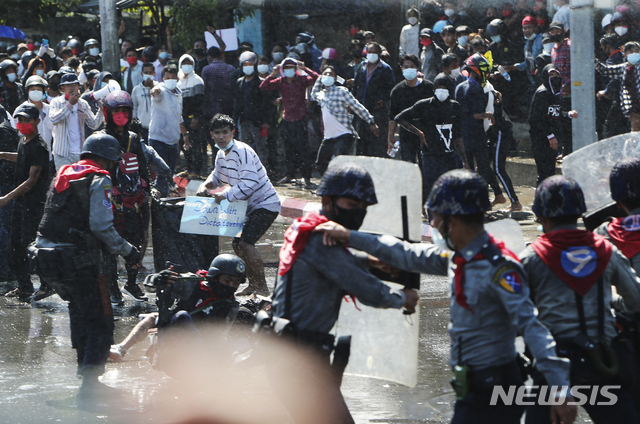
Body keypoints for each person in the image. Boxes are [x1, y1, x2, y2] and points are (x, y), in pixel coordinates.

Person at [315, 169, 576, 424]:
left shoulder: (499, 268)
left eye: (437, 218)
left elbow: (533, 327)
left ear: (456, 219)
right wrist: (351, 237)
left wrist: (561, 389)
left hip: (493, 384)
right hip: (473, 385)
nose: (435, 225)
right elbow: (406, 252)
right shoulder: (459, 258)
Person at [270, 161, 419, 424]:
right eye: (351, 206)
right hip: (301, 361)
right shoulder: (321, 240)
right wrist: (402, 299)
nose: (358, 214)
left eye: (363, 208)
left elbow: (330, 264)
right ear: (328, 202)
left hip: (289, 355)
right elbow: (367, 290)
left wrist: (369, 261)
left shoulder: (306, 227)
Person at [521, 175, 640, 423]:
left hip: (551, 367)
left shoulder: (530, 257)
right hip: (602, 361)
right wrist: (612, 302)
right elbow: (636, 301)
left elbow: (513, 313)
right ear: (580, 213)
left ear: (541, 216)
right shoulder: (605, 248)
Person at [34, 133, 140, 401]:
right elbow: (101, 226)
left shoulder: (65, 172)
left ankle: (86, 376)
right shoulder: (99, 178)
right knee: (101, 320)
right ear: (107, 158)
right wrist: (129, 251)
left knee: (79, 311)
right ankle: (90, 386)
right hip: (76, 259)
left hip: (45, 256)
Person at [196, 114, 280, 296]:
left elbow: (250, 183)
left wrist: (224, 195)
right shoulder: (220, 154)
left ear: (233, 133)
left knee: (246, 243)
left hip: (266, 203)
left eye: (225, 132)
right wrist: (205, 186)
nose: (221, 137)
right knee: (237, 245)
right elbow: (216, 177)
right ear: (211, 134)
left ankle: (262, 288)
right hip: (248, 206)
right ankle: (253, 284)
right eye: (217, 133)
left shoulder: (242, 151)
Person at [109, 254, 248, 361]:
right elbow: (150, 285)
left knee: (245, 318)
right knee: (163, 317)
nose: (231, 286)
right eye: (227, 280)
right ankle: (121, 348)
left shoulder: (232, 306)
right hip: (176, 335)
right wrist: (158, 278)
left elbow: (221, 336)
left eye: (236, 283)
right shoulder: (193, 284)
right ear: (214, 277)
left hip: (203, 348)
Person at [100, 91, 150, 304]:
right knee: (110, 247)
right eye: (116, 111)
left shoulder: (134, 138)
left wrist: (147, 189)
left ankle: (131, 282)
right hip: (109, 202)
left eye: (124, 111)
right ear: (108, 113)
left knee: (136, 243)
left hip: (134, 201)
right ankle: (112, 288)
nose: (120, 115)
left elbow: (143, 168)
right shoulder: (100, 138)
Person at [0, 103, 51, 300]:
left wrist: (6, 198)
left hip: (34, 204)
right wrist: (3, 155)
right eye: (20, 119)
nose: (22, 123)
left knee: (32, 246)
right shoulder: (23, 141)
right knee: (16, 245)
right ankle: (24, 286)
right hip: (21, 204)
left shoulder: (40, 146)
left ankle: (46, 285)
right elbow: (22, 157)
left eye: (27, 120)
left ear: (37, 121)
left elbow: (31, 180)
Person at [394, 81, 469, 207]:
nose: (441, 91)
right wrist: (419, 133)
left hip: (449, 155)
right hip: (431, 154)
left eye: (444, 88)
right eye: (438, 88)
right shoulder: (424, 105)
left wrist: (464, 159)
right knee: (432, 186)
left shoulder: (454, 106)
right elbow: (400, 118)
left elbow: (457, 135)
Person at [455, 54, 506, 207]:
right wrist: (488, 115)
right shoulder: (476, 88)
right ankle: (486, 198)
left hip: (463, 135)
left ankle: (471, 200)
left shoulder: (459, 87)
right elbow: (476, 114)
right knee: (483, 167)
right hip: (476, 135)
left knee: (468, 168)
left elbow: (459, 112)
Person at [259, 57, 318, 186]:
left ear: (295, 69)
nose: (289, 70)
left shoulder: (302, 80)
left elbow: (317, 79)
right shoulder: (280, 81)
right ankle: (289, 174)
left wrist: (305, 68)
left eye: (292, 67)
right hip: (287, 118)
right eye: (286, 68)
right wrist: (272, 74)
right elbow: (263, 86)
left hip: (301, 117)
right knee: (288, 148)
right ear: (283, 70)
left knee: (303, 148)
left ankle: (306, 176)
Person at [311, 65, 378, 175]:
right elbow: (313, 93)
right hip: (328, 137)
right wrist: (320, 77)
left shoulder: (341, 91)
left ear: (335, 78)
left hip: (343, 134)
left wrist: (371, 120)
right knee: (320, 163)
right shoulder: (321, 94)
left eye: (331, 74)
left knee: (339, 162)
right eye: (325, 74)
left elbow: (356, 106)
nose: (328, 76)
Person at [528, 64, 578, 186]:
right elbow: (536, 119)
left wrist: (567, 114)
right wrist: (550, 136)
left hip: (552, 140)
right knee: (544, 173)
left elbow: (555, 113)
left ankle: (548, 200)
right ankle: (540, 201)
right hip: (541, 139)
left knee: (549, 172)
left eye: (557, 75)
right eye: (551, 75)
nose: (555, 78)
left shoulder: (554, 94)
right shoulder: (542, 93)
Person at [49, 73, 104, 169]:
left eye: (74, 85)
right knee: (65, 181)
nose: (72, 88)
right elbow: (54, 119)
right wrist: (70, 104)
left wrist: (101, 110)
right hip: (62, 153)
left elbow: (93, 124)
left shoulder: (83, 103)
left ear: (79, 86)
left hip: (80, 152)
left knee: (79, 181)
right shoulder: (56, 102)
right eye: (68, 85)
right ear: (63, 88)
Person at [149, 65, 188, 197]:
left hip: (173, 140)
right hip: (158, 139)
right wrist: (155, 90)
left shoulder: (178, 93)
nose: (170, 80)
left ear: (177, 78)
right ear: (163, 78)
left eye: (172, 78)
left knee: (170, 173)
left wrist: (185, 135)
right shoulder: (161, 90)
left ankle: (163, 197)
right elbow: (156, 92)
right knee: (162, 173)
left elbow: (179, 116)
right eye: (167, 78)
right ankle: (160, 202)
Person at [387, 54, 435, 163]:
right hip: (407, 133)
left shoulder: (428, 87)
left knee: (426, 167)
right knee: (408, 165)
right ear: (401, 69)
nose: (409, 69)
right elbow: (393, 117)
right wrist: (389, 140)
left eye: (412, 66)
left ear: (418, 68)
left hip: (427, 133)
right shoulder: (397, 91)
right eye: (406, 67)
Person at [352, 42, 395, 158]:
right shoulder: (361, 66)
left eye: (374, 52)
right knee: (361, 142)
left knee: (377, 142)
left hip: (377, 112)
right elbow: (356, 86)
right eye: (369, 52)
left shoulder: (385, 69)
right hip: (361, 111)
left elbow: (390, 89)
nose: (372, 55)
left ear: (380, 53)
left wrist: (384, 101)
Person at [232, 52, 270, 168]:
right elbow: (237, 103)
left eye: (250, 65)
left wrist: (265, 121)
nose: (248, 67)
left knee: (261, 148)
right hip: (244, 121)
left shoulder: (260, 83)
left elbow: (265, 104)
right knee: (244, 148)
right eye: (245, 65)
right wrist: (234, 121)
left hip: (257, 122)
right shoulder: (239, 82)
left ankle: (263, 171)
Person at [595, 42, 640, 132]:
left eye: (637, 51)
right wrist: (593, 60)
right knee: (635, 130)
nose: (634, 53)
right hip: (634, 106)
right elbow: (605, 70)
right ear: (625, 55)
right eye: (631, 51)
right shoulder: (624, 68)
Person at [177, 54, 206, 178]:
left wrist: (196, 117)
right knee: (185, 145)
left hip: (194, 118)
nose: (186, 65)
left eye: (189, 63)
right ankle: (188, 168)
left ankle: (196, 170)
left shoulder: (197, 80)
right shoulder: (179, 82)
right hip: (182, 119)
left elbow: (200, 101)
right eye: (184, 63)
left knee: (196, 144)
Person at [0, 104, 19, 281]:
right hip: (8, 185)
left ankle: (5, 270)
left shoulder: (3, 131)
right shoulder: (7, 127)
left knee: (3, 228)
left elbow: (8, 162)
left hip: (4, 186)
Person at [202, 47, 236, 122]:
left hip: (212, 107)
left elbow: (205, 89)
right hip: (229, 105)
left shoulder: (206, 69)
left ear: (209, 57)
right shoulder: (231, 68)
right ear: (221, 56)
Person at [131, 63, 157, 142]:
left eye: (150, 73)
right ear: (142, 73)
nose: (148, 75)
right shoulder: (136, 89)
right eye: (146, 73)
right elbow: (134, 108)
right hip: (142, 128)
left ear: (154, 73)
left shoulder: (159, 87)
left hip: (156, 127)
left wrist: (152, 87)